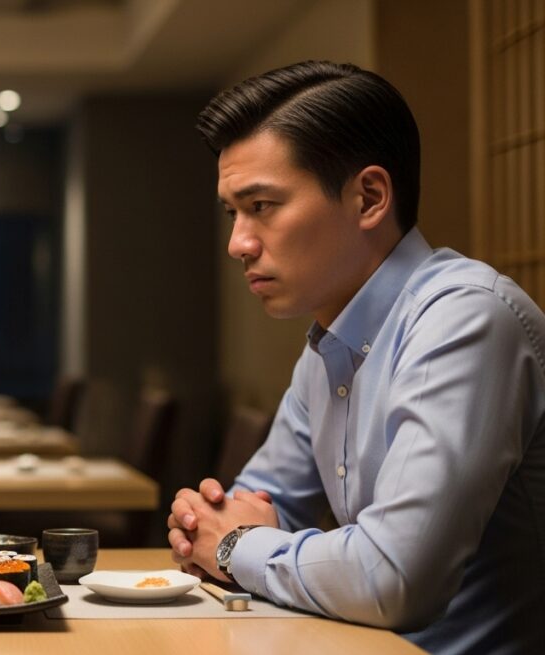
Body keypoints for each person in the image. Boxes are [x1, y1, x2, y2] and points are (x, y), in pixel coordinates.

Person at [167, 61, 545, 655]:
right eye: (233, 213)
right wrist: (212, 531)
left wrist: (235, 547)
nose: (238, 243)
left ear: (368, 197)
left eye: (262, 205)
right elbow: (248, 508)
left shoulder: (465, 320)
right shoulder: (329, 342)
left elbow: (394, 579)